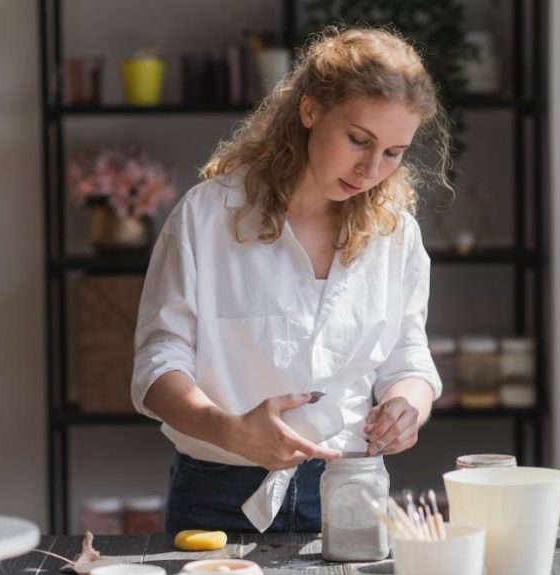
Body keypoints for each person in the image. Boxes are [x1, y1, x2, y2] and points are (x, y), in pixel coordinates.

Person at [131, 26, 452, 535]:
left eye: (393, 152)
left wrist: (407, 405)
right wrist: (228, 430)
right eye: (358, 140)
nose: (371, 169)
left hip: (353, 489)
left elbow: (408, 357)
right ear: (309, 110)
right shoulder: (208, 216)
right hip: (217, 494)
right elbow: (156, 365)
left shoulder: (395, 233)